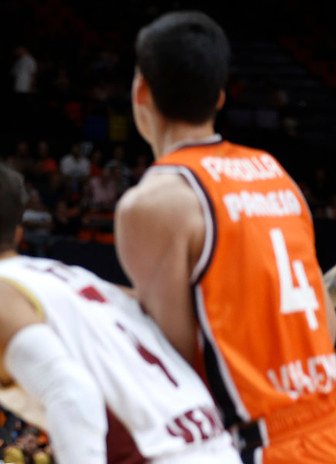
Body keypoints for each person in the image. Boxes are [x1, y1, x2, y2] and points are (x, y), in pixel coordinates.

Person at [113, 11, 336, 463]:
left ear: (141, 92)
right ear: (219, 97)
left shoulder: (154, 202)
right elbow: (322, 321)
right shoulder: (278, 177)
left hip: (260, 443)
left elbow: (174, 360)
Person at [0, 154, 240, 463]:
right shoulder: (75, 278)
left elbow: (72, 393)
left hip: (158, 453)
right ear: (18, 233)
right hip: (213, 444)